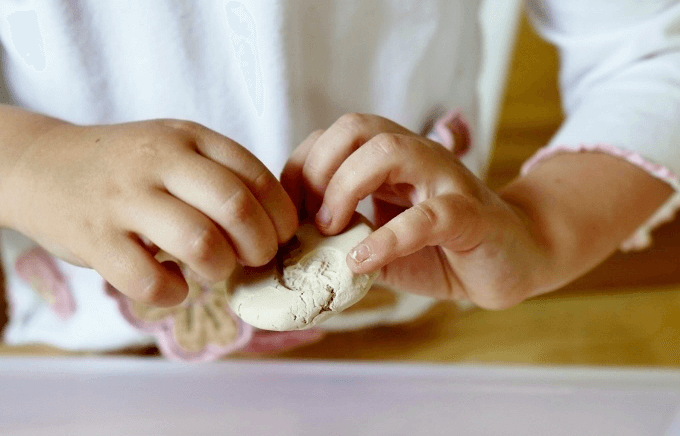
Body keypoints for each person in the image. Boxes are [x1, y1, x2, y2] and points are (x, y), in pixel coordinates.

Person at [0, 0, 678, 360]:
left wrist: (543, 230)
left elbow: (655, 56)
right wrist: (25, 163)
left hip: (419, 339)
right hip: (46, 361)